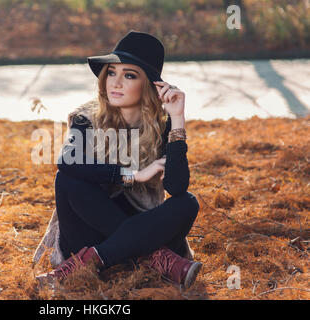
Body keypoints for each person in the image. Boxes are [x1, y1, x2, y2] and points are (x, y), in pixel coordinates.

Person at [33, 30, 202, 289]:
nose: (116, 82)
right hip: (87, 232)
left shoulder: (162, 125)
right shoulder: (86, 118)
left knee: (187, 203)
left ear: (149, 84)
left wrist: (177, 118)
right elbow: (67, 162)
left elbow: (177, 187)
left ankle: (100, 260)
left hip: (141, 226)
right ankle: (153, 257)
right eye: (112, 72)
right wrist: (133, 174)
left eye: (129, 75)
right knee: (68, 180)